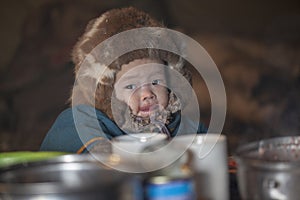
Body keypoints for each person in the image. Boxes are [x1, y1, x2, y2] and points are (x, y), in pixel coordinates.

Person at [40, 7, 207, 154]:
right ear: (105, 93)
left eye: (156, 82)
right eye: (131, 85)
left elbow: (209, 147)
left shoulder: (181, 126)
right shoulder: (85, 121)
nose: (147, 94)